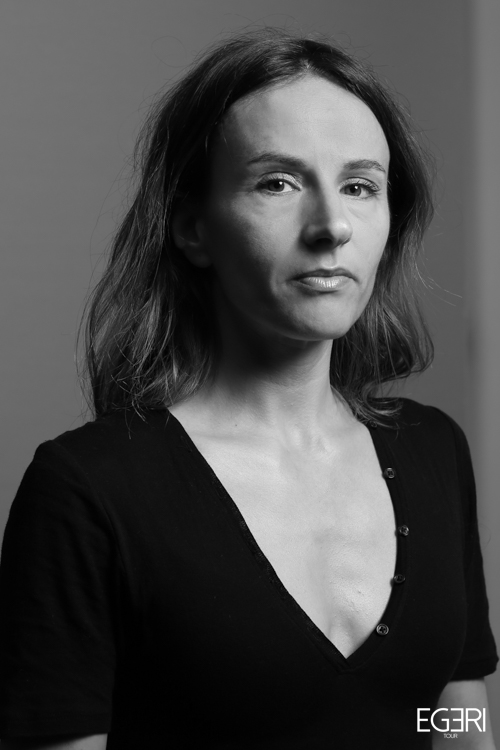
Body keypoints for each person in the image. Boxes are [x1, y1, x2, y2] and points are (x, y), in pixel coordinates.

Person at [0, 29, 497, 750]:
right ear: (192, 227)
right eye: (278, 183)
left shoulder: (433, 451)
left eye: (360, 186)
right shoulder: (87, 491)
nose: (332, 226)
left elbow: (452, 716)